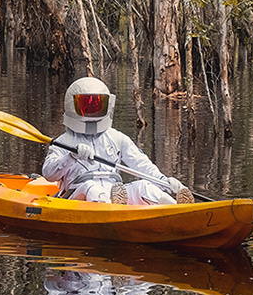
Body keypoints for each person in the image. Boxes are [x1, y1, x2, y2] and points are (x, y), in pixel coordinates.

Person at [41, 76, 187, 205]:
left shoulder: (117, 138)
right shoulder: (64, 141)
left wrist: (164, 181)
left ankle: (176, 209)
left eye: (98, 104)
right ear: (72, 106)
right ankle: (111, 211)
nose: (92, 109)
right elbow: (48, 174)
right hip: (77, 194)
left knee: (144, 187)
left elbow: (140, 164)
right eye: (86, 105)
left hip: (113, 192)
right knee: (92, 187)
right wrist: (70, 156)